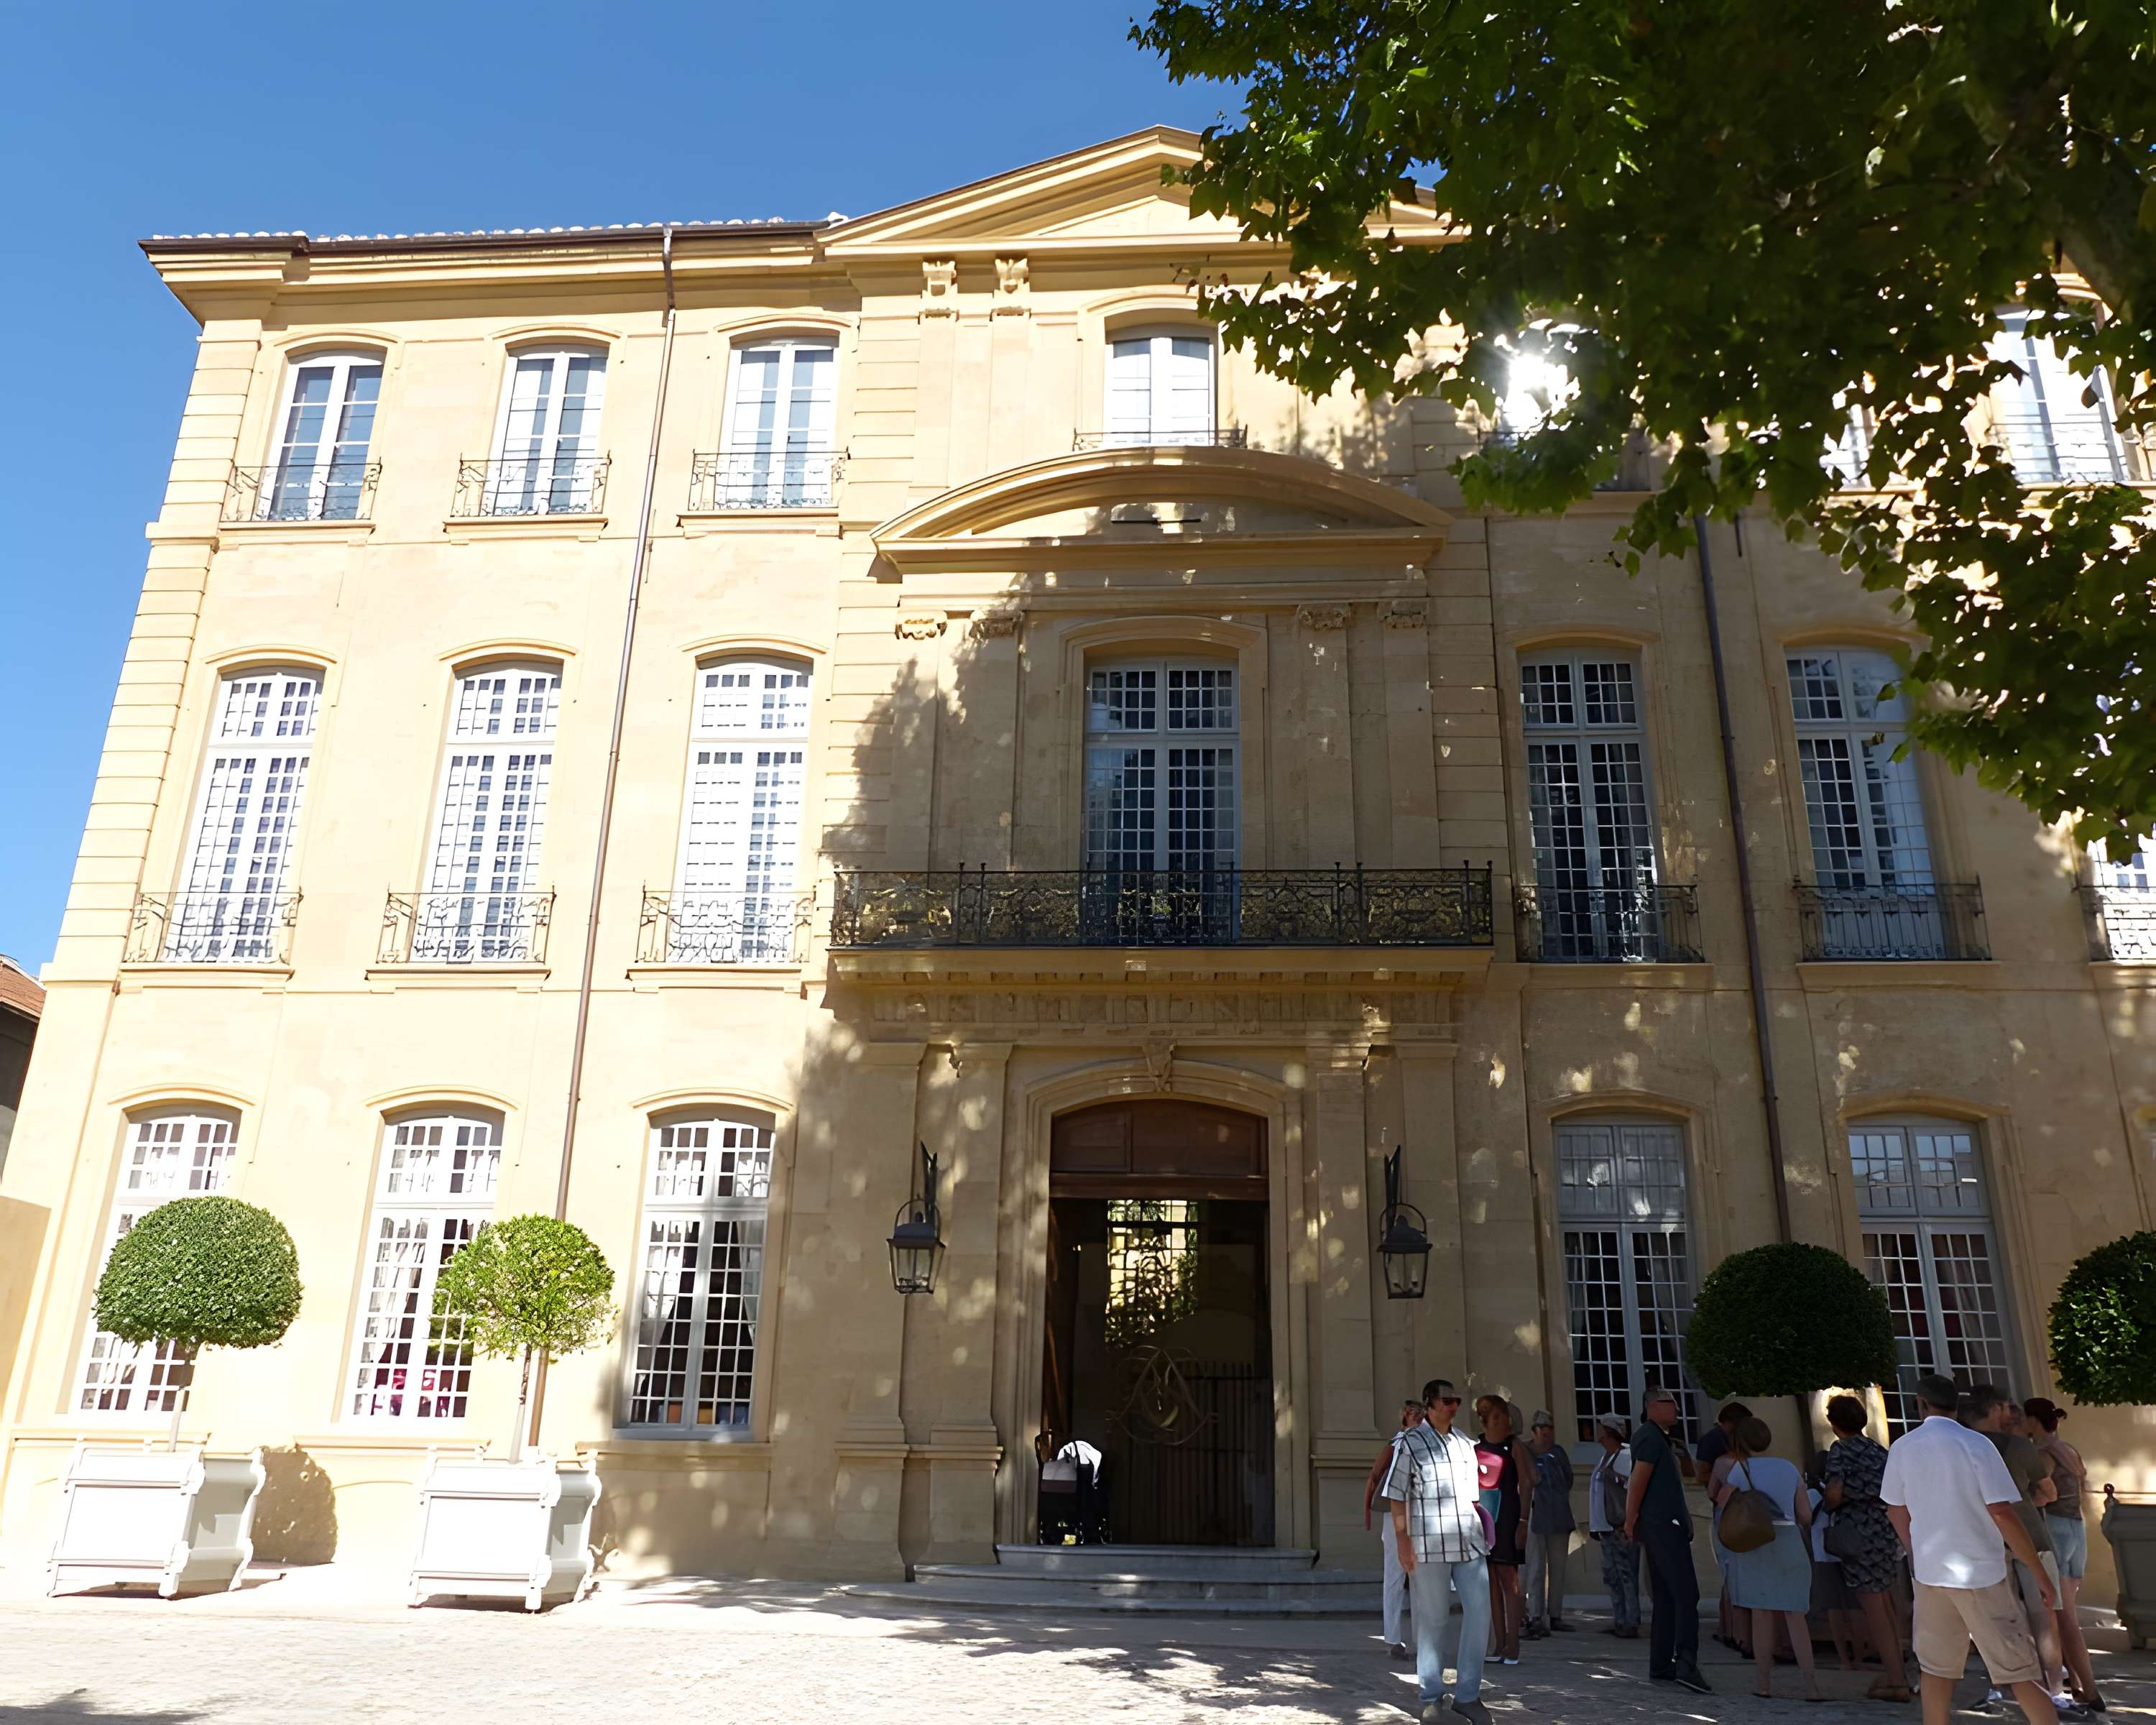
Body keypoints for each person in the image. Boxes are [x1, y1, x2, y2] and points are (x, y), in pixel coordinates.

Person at [1881, 1373, 2060, 1725]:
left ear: (1920, 1404)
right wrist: (2040, 1575)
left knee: (1936, 1671)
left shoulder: (1903, 1446)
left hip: (1932, 1573)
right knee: (2018, 1672)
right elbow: (2002, 1512)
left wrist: (1916, 1551)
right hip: (1981, 1572)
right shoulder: (1977, 1445)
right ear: (1957, 1406)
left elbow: (1895, 1510)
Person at [1382, 1376, 1496, 1725]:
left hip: (1469, 1541)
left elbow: (1475, 1496)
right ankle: (1431, 1696)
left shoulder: (1466, 1443)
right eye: (1446, 1401)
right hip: (1428, 1546)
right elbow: (1397, 1495)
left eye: (1457, 1401)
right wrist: (1403, 1543)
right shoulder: (1410, 1443)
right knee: (1433, 1621)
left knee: (1480, 1614)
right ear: (1429, 1403)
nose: (1453, 1406)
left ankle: (1468, 1695)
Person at [1963, 1385, 2077, 1716]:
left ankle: (2001, 1687)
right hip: (2031, 1536)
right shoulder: (2017, 1446)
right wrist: (2026, 1504)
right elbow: (2048, 1491)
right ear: (1996, 1409)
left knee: (2000, 1619)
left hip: (1987, 1540)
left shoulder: (1963, 1449)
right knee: (2045, 1618)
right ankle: (2055, 1690)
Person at [1712, 1414, 1822, 1701]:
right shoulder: (1788, 1468)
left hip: (1755, 1543)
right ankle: (1811, 1684)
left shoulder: (1740, 1470)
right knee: (1795, 1617)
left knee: (1761, 1615)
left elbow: (1722, 1505)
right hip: (1789, 1541)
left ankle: (1763, 1683)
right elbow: (1805, 1516)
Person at [1822, 1392, 1916, 1702]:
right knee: (1888, 1605)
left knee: (1874, 1609)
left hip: (1858, 1531)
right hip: (1885, 1531)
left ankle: (1896, 1680)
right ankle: (1898, 1672)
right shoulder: (1880, 1451)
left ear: (1834, 1423)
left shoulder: (1840, 1450)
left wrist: (1833, 1502)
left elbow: (1834, 1492)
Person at [1624, 1386, 1710, 1693]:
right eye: (1668, 1402)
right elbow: (1639, 1479)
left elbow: (1685, 1476)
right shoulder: (1649, 1436)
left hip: (1663, 1524)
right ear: (1651, 1406)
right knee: (1687, 1594)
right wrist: (1630, 1520)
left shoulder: (1661, 1438)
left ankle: (1662, 1664)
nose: (1675, 1406)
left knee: (1665, 1597)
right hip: (1662, 1525)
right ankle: (1686, 1662)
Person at [2024, 1397, 2105, 1712]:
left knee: (2060, 1618)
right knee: (2065, 1613)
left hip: (2055, 1529)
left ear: (2033, 1421)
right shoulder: (2069, 1449)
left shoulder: (2044, 1453)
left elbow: (2046, 1493)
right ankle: (2083, 1687)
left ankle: (2077, 1689)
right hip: (2076, 1529)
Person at [1475, 1394, 1534, 1665]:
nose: (1502, 1422)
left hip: (1509, 1518)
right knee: (1491, 1584)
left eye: (1504, 1416)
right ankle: (1499, 1643)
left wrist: (1523, 1521)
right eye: (1496, 1417)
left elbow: (1528, 1481)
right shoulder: (1474, 1447)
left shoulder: (1514, 1447)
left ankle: (1514, 1645)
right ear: (1485, 1420)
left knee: (1510, 1582)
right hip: (1483, 1521)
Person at [1366, 1399, 1426, 1660]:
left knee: (1419, 1576)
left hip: (1420, 1513)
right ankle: (1393, 1637)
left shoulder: (1427, 1444)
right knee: (1395, 1574)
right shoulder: (1396, 1444)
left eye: (1420, 1415)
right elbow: (1375, 1476)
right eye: (1413, 1415)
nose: (1416, 1419)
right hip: (1395, 1513)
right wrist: (1368, 1509)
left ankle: (1420, 1639)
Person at [1700, 1401, 1753, 1656]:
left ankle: (1733, 1631)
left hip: (1731, 1516)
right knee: (1734, 1575)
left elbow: (1712, 1492)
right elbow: (1704, 1478)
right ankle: (1733, 1631)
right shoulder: (1715, 1443)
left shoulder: (1728, 1461)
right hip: (1736, 1517)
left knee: (1732, 1574)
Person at [1522, 1409, 1577, 1637]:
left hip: (1559, 1517)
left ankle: (1556, 1615)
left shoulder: (1559, 1453)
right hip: (1536, 1518)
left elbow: (1568, 1480)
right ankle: (1534, 1615)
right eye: (1542, 1430)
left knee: (1558, 1568)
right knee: (1534, 1568)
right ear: (1534, 1431)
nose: (1546, 1434)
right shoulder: (1525, 1452)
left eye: (1550, 1430)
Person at [1587, 1412, 1641, 1638]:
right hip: (1606, 1527)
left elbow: (1633, 1485)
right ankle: (1620, 1619)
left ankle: (1631, 1621)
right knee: (1612, 1575)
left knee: (1626, 1574)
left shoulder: (1626, 1456)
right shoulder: (1605, 1457)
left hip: (1619, 1527)